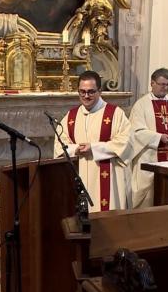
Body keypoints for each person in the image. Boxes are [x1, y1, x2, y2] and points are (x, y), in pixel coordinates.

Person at [53, 70, 133, 212]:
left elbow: (126, 142)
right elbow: (60, 144)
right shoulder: (71, 116)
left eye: (91, 92)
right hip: (80, 174)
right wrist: (75, 149)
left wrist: (94, 148)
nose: (86, 96)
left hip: (107, 177)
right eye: (82, 92)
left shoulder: (115, 114)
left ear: (100, 91)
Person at [129, 68, 168, 208]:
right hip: (149, 158)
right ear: (152, 83)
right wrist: (158, 137)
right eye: (162, 84)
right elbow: (135, 131)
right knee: (147, 197)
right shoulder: (141, 105)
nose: (165, 88)